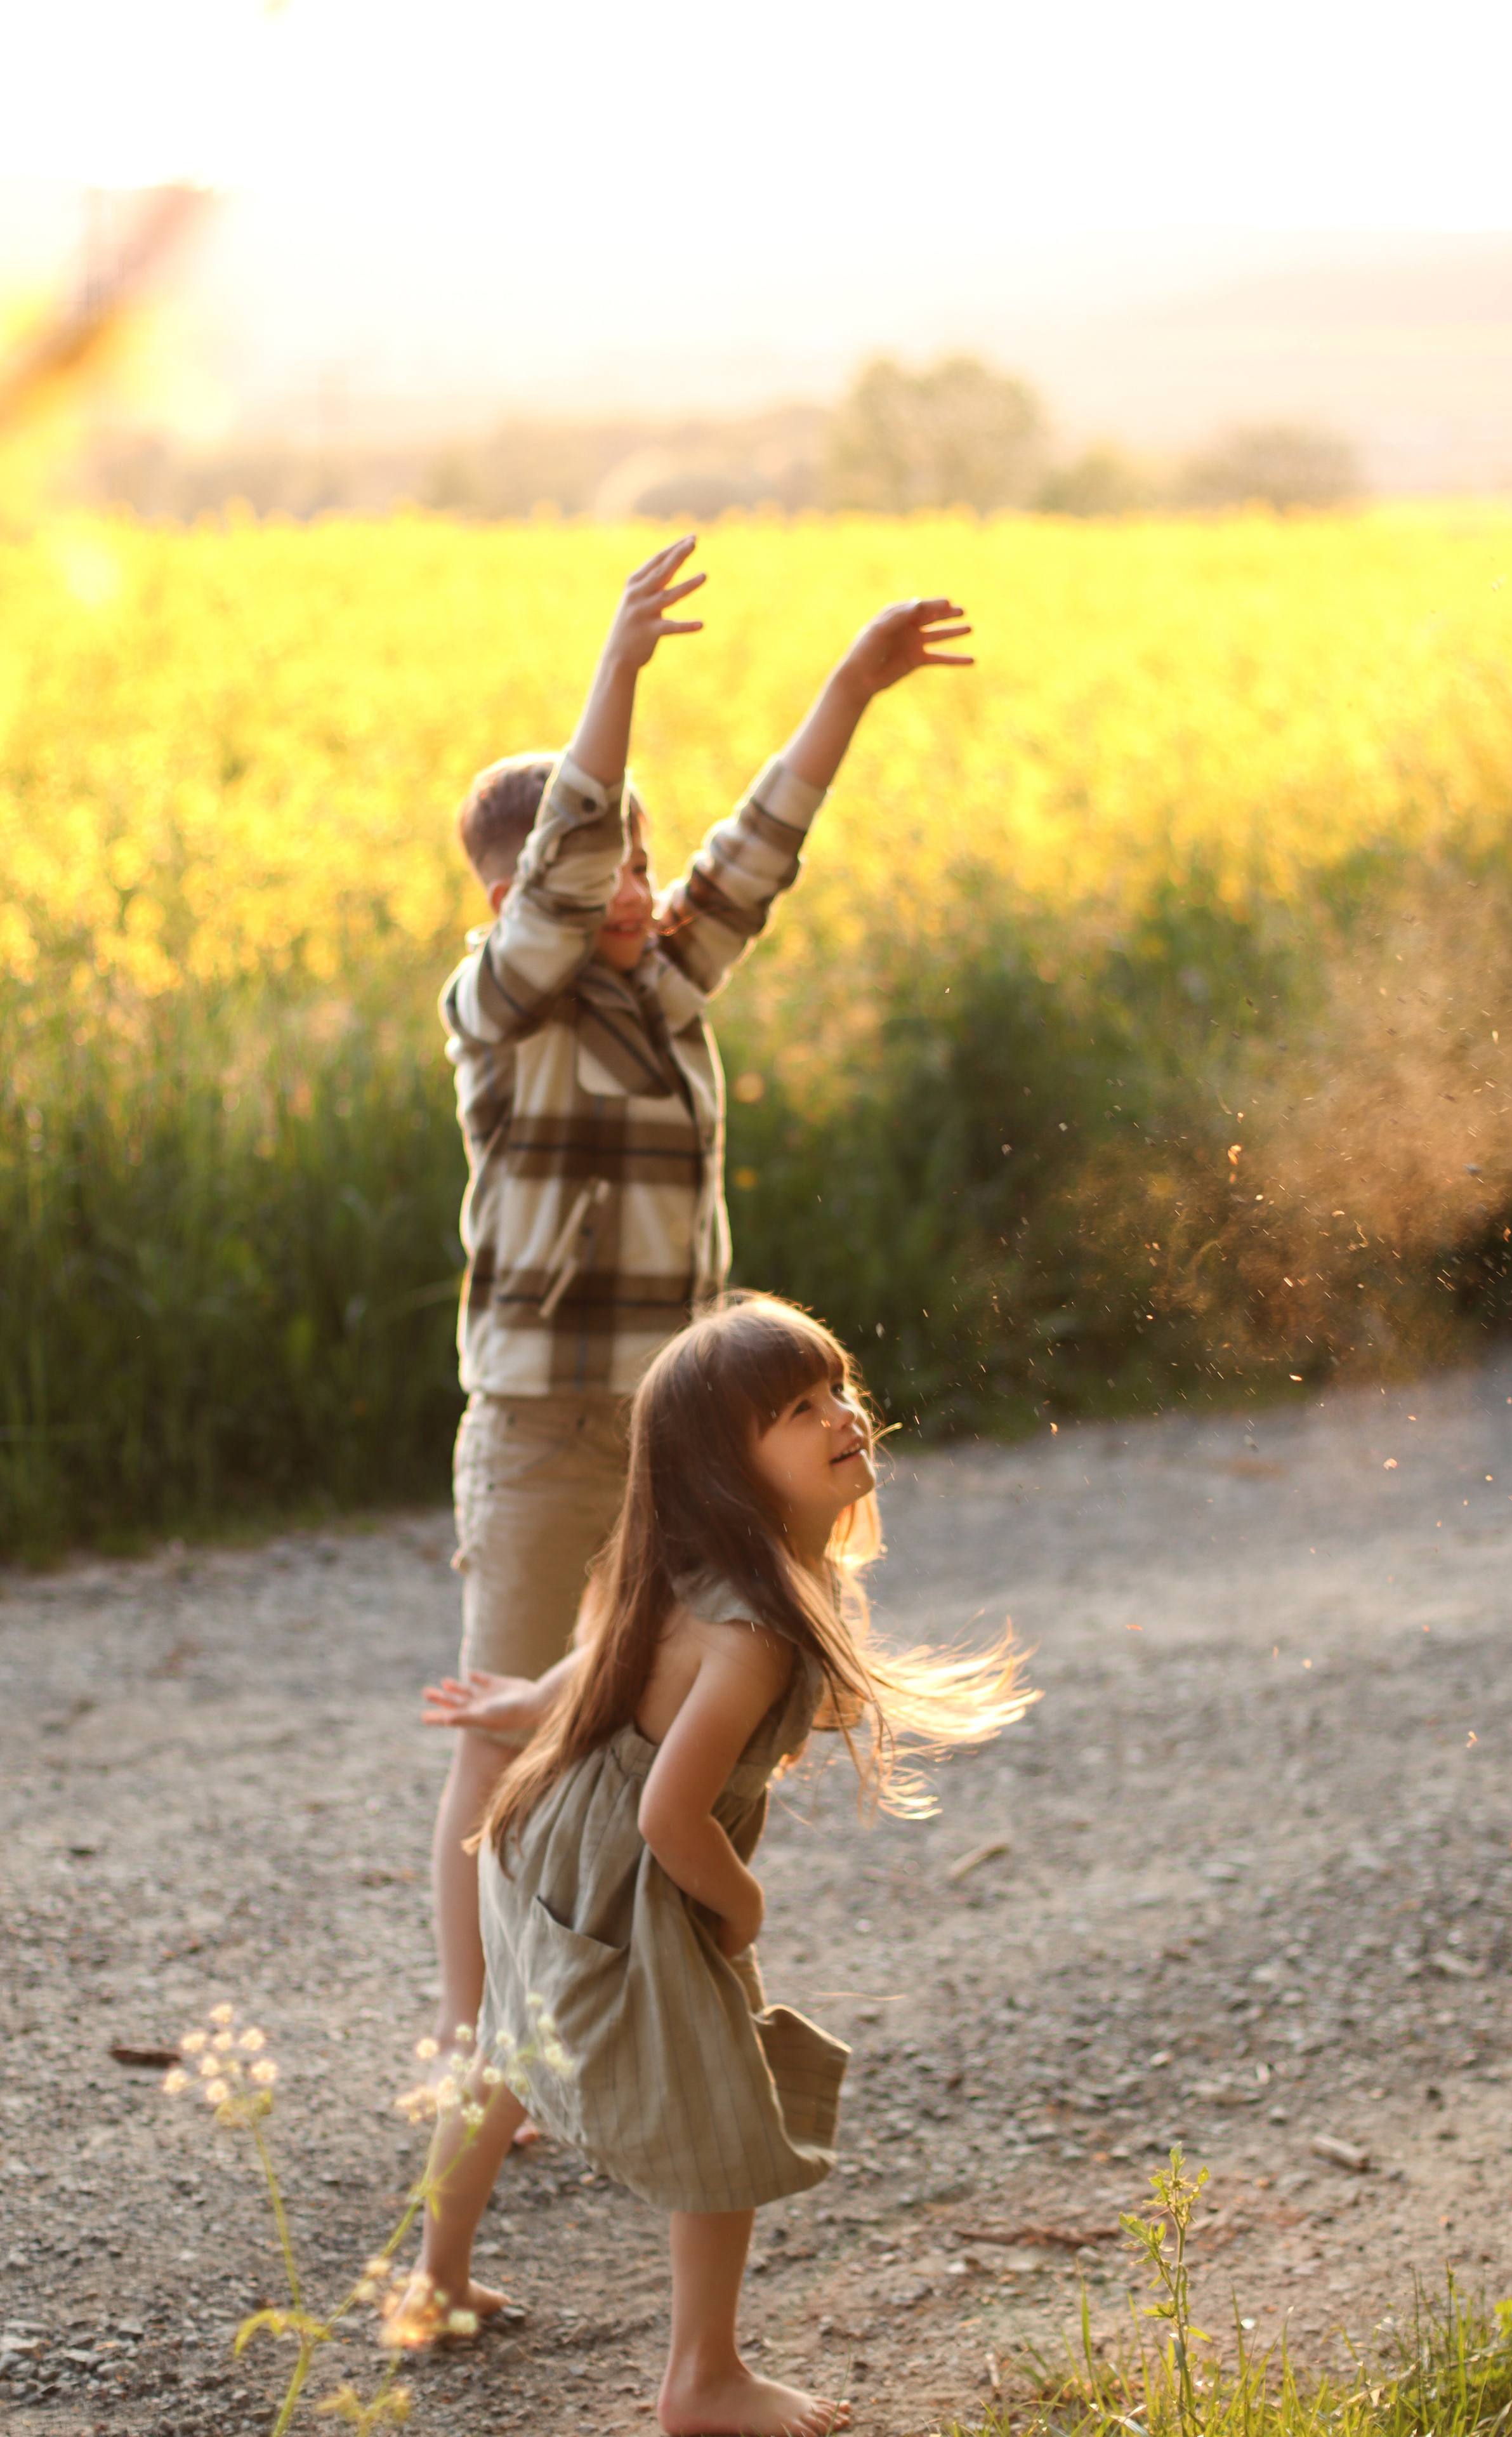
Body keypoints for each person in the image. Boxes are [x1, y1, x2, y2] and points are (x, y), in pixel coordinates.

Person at [430, 534, 973, 2059]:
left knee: (653, 1721)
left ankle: (624, 2007)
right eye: (612, 873)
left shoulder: (666, 996)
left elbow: (759, 845)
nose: (643, 891)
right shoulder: (495, 1011)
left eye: (646, 867)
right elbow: (565, 867)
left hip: (674, 1426)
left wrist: (847, 690)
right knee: (508, 1726)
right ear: (507, 894)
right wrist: (617, 669)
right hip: (543, 1428)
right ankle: (480, 2059)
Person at [403, 1293, 1032, 2436]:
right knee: (725, 2099)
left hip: (546, 1835)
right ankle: (702, 2381)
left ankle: (433, 2282)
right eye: (797, 1409)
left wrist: (534, 1698)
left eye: (836, 1387)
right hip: (620, 1865)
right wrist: (740, 1907)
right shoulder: (753, 1632)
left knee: (506, 2046)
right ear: (727, 1470)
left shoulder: (715, 1565)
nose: (843, 1415)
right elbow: (669, 1814)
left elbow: (613, 1645)